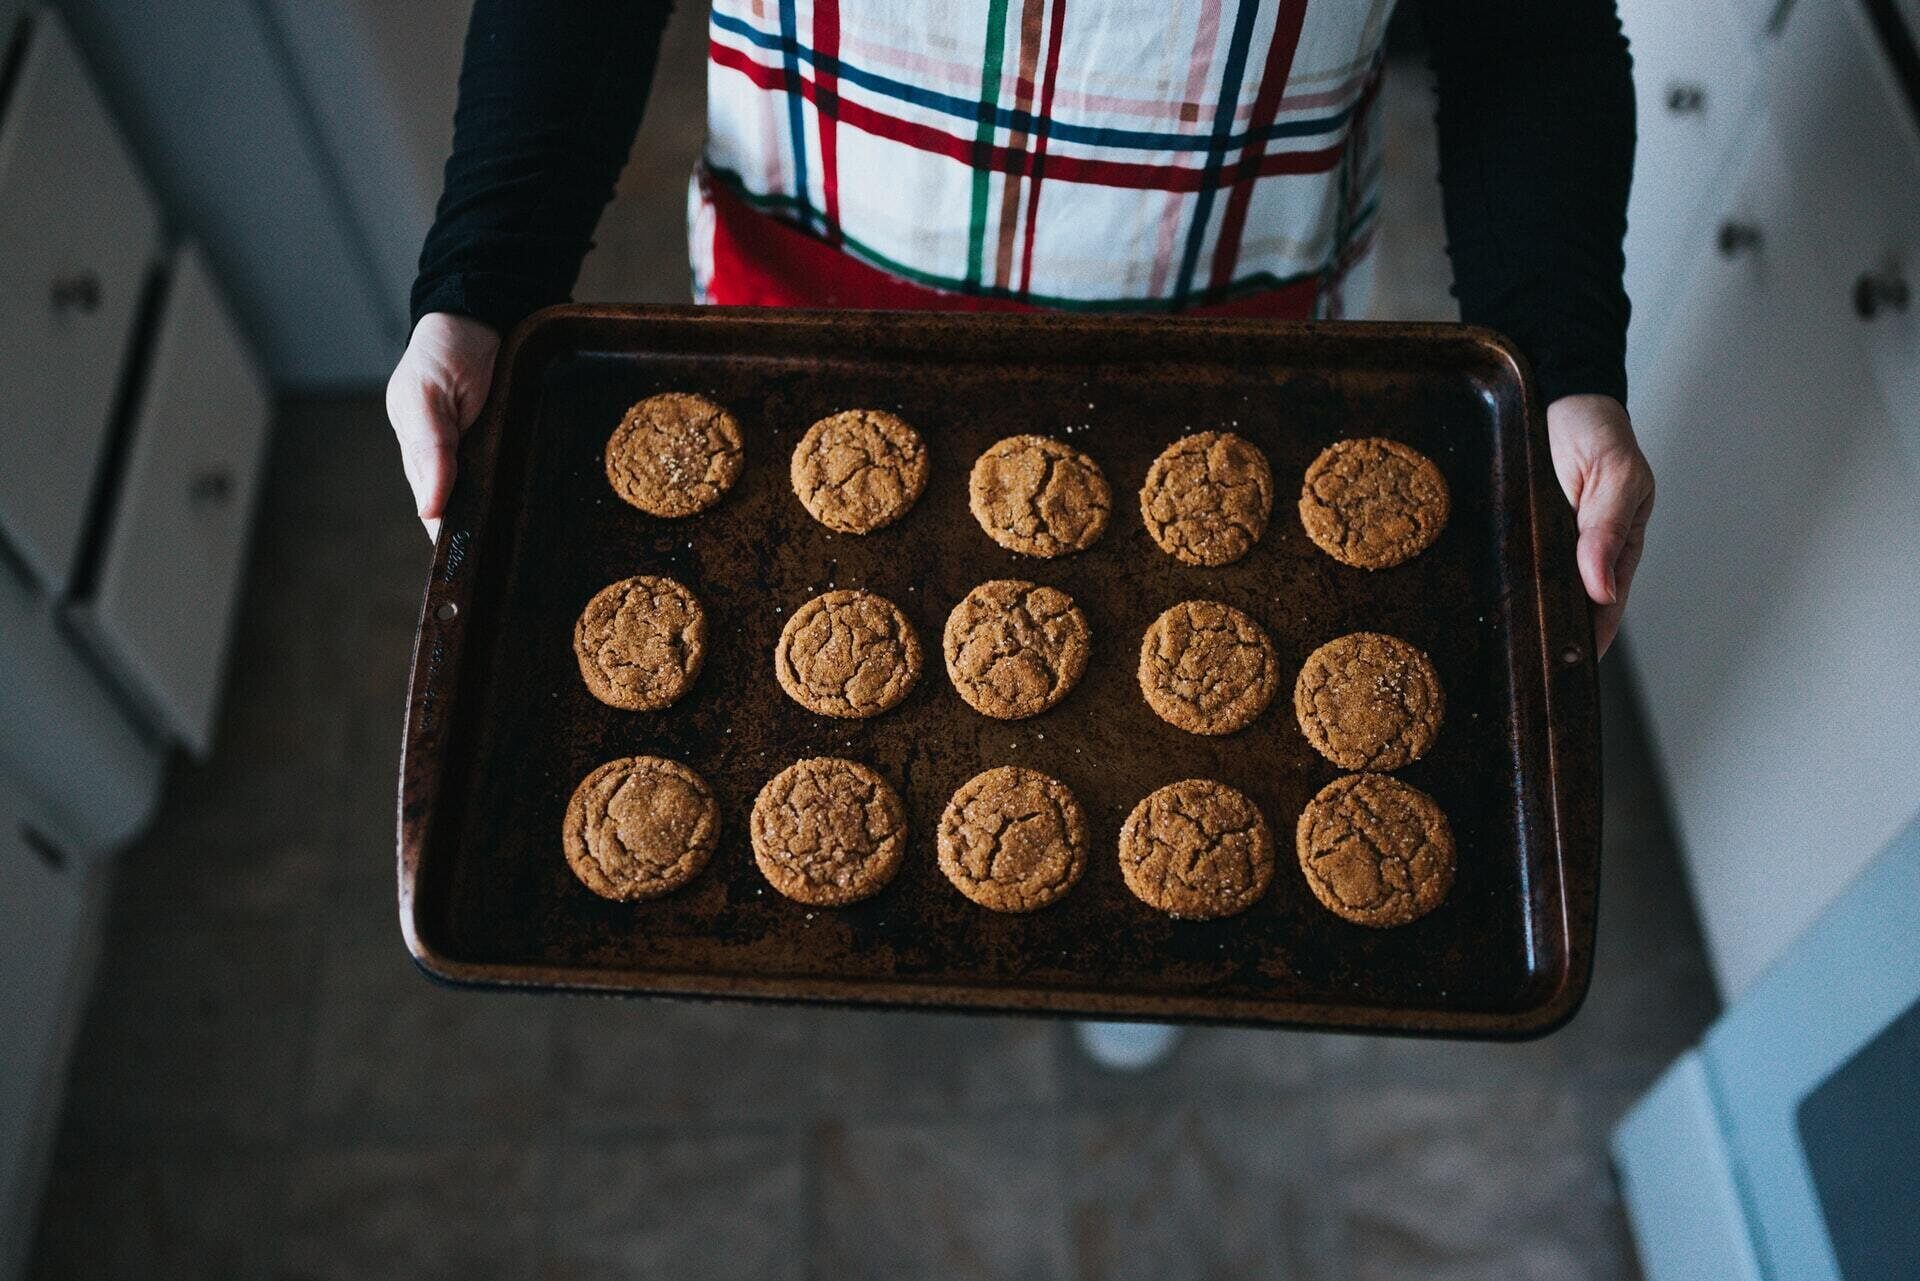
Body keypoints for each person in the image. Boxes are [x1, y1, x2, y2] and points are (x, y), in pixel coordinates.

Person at [387, 0, 1654, 1069]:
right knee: (835, 631)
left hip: (1230, 358)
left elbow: (1530, 28)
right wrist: (485, 279)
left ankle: (1133, 977)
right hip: (811, 315)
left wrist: (1560, 355)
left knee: (1147, 854)